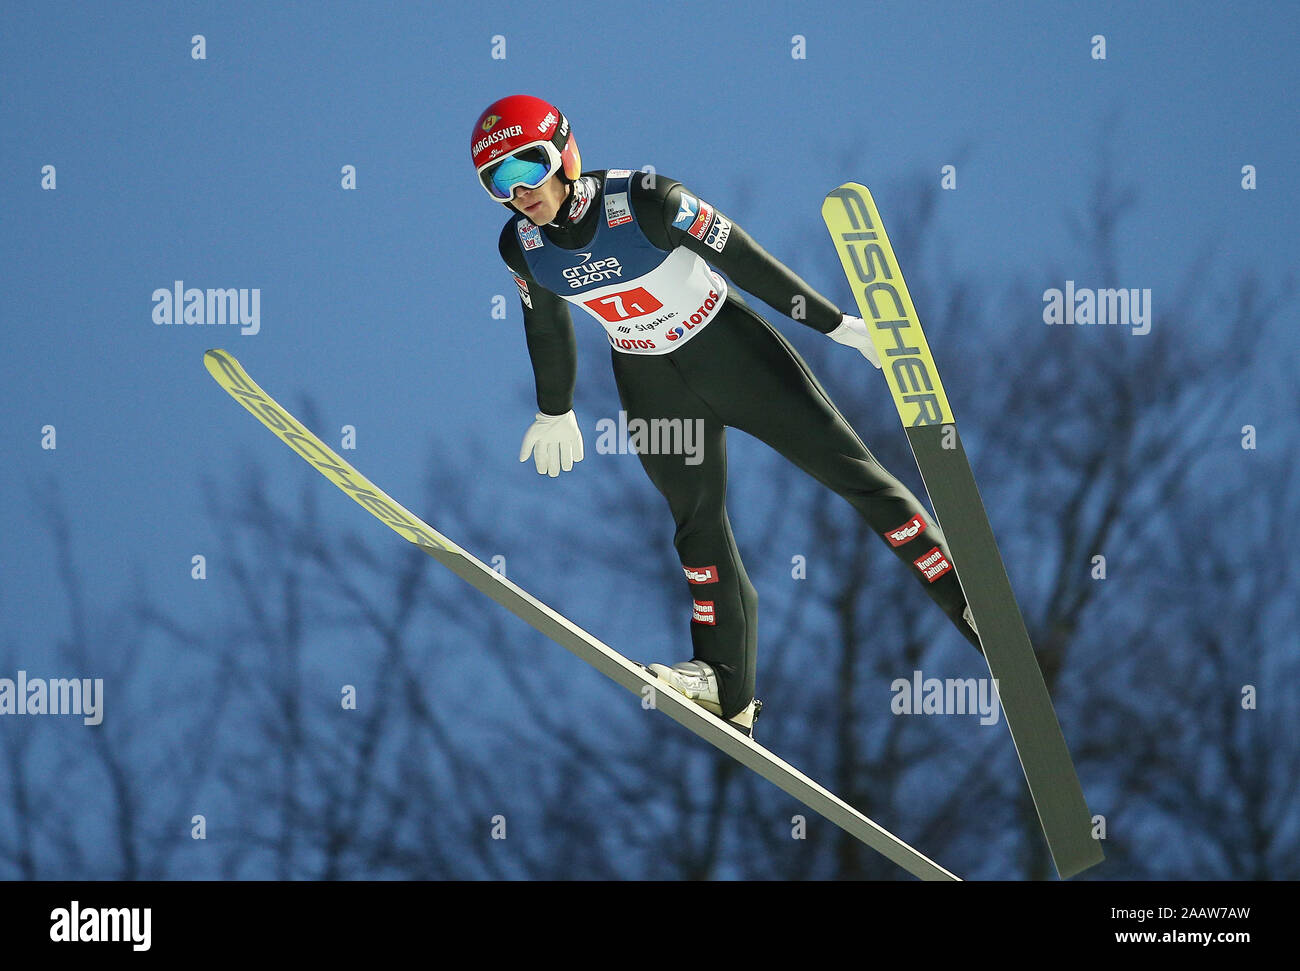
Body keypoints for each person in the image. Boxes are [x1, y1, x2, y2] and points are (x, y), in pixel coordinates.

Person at [472, 94, 980, 737]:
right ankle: (725, 684)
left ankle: (965, 600)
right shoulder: (521, 246)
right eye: (497, 183)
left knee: (854, 474)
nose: (518, 192)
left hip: (730, 355)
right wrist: (555, 411)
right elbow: (545, 327)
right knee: (695, 525)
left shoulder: (649, 200)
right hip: (652, 382)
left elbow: (743, 260)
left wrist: (840, 327)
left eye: (527, 167)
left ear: (566, 155)